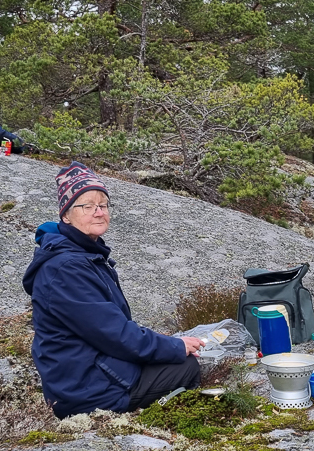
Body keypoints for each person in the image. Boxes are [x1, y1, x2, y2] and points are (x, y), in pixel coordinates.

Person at [22, 162, 205, 418]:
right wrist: (174, 347)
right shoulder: (65, 269)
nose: (98, 212)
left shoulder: (84, 254)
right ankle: (158, 421)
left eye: (103, 205)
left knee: (171, 357)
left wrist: (164, 343)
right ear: (66, 215)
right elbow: (114, 334)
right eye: (86, 206)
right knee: (185, 367)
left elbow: (108, 325)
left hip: (88, 372)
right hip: (86, 389)